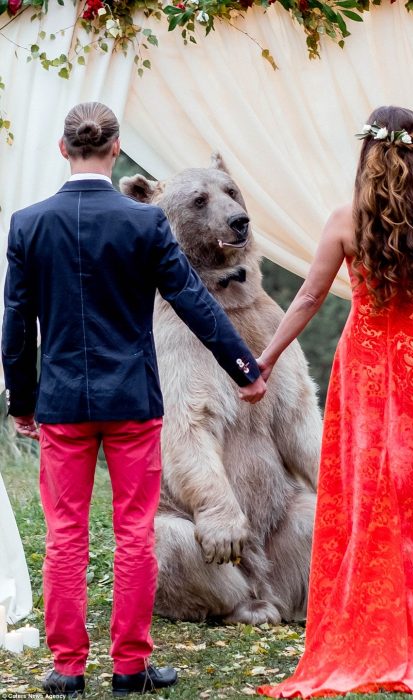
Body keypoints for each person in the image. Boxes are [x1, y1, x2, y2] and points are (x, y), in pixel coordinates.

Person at [2, 101, 266, 697]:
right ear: (115, 149)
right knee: (134, 532)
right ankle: (129, 666)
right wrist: (245, 367)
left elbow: (17, 322)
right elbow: (197, 304)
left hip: (64, 404)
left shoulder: (28, 223)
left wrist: (23, 398)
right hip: (133, 403)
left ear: (63, 150)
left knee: (65, 535)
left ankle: (67, 669)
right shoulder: (144, 223)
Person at [257, 105, 413, 697]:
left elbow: (306, 298)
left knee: (366, 490)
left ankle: (368, 622)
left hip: (369, 362)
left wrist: (266, 360)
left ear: (368, 154)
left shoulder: (347, 219)